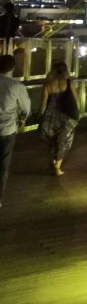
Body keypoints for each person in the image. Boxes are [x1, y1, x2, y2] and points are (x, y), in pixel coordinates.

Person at [39, 62, 80, 175]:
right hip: (66, 117)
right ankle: (57, 166)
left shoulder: (48, 84)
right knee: (63, 140)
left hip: (50, 116)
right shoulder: (69, 82)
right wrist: (77, 113)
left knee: (52, 140)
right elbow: (76, 100)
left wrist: (41, 116)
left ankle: (53, 162)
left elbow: (43, 104)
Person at [0, 54, 30, 206]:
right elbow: (26, 109)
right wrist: (22, 119)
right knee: (3, 165)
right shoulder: (17, 86)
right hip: (7, 130)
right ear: (12, 68)